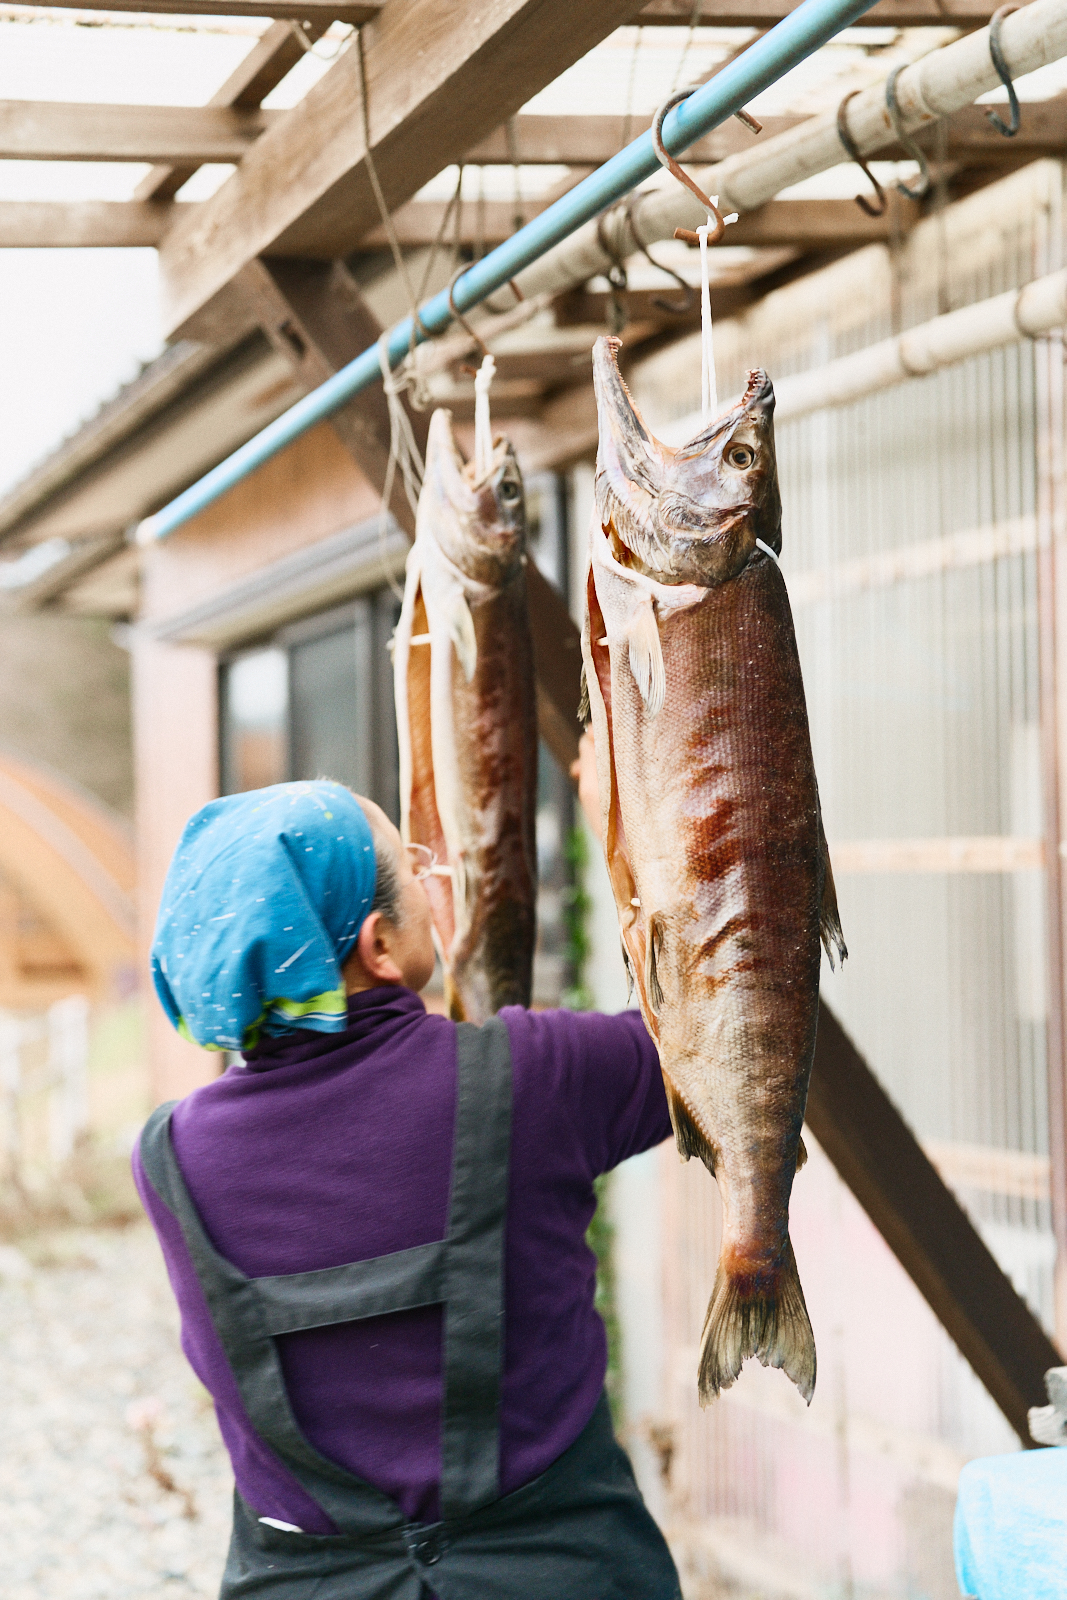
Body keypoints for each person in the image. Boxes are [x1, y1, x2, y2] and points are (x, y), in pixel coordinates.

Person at [135, 768, 681, 1599]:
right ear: (377, 945)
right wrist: (623, 819)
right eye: (414, 867)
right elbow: (722, 1031)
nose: (435, 881)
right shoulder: (534, 1077)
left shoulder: (171, 1157)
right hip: (562, 1573)